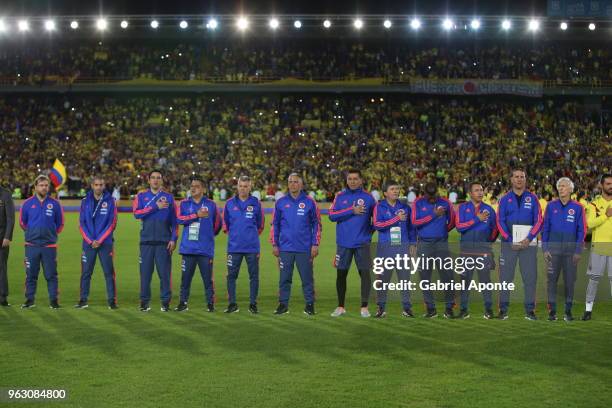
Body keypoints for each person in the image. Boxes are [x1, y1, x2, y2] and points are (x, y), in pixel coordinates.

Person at [270, 173, 321, 315]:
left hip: (304, 248)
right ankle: (283, 304)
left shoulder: (310, 202)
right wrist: (275, 244)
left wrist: (315, 244)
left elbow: (317, 224)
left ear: (301, 184)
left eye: (295, 182)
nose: (293, 184)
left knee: (307, 278)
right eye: (290, 182)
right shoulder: (280, 203)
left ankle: (309, 304)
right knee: (284, 278)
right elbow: (275, 224)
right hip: (285, 248)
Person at [496, 168, 543, 320]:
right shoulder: (504, 199)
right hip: (508, 245)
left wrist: (529, 238)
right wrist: (509, 240)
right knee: (505, 278)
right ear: (511, 179)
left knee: (529, 278)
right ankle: (503, 310)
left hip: (528, 245)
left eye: (522, 177)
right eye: (516, 177)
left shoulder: (533, 198)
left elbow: (539, 220)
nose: (519, 179)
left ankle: (530, 311)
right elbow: (500, 221)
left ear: (525, 179)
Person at [328, 169, 376, 318]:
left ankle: (364, 307)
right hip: (343, 244)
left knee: (365, 275)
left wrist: (368, 233)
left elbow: (377, 220)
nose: (353, 181)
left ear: (361, 180)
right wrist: (351, 210)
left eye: (356, 178)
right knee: (341, 274)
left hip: (362, 243)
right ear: (347, 180)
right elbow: (331, 216)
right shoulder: (340, 197)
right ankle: (341, 306)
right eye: (350, 179)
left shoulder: (369, 198)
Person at [132, 170, 178, 312]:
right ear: (149, 180)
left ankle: (165, 303)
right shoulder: (141, 196)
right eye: (153, 178)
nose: (156, 180)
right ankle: (144, 303)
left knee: (164, 275)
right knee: (145, 275)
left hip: (163, 243)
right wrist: (155, 207)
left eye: (158, 178)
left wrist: (173, 239)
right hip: (146, 242)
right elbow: (136, 214)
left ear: (162, 180)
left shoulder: (169, 198)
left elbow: (175, 222)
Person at [542, 177, 586, 322]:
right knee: (551, 281)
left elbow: (581, 230)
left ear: (571, 189)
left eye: (564, 186)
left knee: (569, 282)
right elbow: (545, 228)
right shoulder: (550, 206)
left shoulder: (578, 207)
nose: (561, 188)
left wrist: (578, 251)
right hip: (553, 251)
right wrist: (545, 248)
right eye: (559, 186)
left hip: (570, 252)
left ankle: (568, 312)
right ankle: (552, 312)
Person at [175, 176, 221, 312]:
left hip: (205, 249)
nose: (193, 188)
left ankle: (210, 304)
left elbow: (218, 224)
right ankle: (183, 303)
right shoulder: (183, 204)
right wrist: (196, 215)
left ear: (203, 189)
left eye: (196, 186)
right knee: (185, 279)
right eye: (192, 186)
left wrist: (207, 236)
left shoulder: (211, 205)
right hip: (188, 249)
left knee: (208, 280)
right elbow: (179, 219)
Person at [412, 181, 456, 318]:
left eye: (433, 195)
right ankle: (431, 309)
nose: (431, 198)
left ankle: (449, 308)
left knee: (447, 276)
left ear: (437, 192)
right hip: (424, 244)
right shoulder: (418, 203)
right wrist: (433, 215)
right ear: (424, 193)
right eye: (429, 195)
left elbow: (453, 221)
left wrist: (443, 232)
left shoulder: (445, 202)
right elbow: (414, 222)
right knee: (425, 277)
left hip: (441, 244)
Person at [372, 181, 417, 318]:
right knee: (383, 280)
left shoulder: (405, 208)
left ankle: (407, 308)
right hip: (385, 249)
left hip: (402, 249)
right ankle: (381, 308)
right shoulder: (379, 207)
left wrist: (413, 244)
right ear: (385, 193)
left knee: (404, 280)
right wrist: (395, 219)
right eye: (392, 189)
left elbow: (411, 228)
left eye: (397, 189)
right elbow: (377, 225)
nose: (396, 191)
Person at [19, 175, 64, 309]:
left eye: (46, 185)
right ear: (35, 187)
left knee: (51, 275)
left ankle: (54, 301)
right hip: (31, 246)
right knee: (31, 275)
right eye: (41, 185)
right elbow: (22, 222)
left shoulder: (55, 204)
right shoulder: (27, 204)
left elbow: (60, 223)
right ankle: (29, 300)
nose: (44, 188)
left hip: (49, 246)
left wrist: (51, 234)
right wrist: (31, 233)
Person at [455, 182, 498, 319]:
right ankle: (463, 310)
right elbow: (459, 227)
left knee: (485, 282)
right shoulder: (462, 208)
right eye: (477, 190)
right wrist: (477, 219)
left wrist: (486, 243)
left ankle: (489, 310)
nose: (480, 192)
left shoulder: (489, 209)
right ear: (470, 193)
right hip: (466, 251)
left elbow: (495, 230)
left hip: (483, 251)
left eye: (481, 190)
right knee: (464, 282)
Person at [223, 175, 264, 314]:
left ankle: (253, 304)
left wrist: (249, 236)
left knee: (253, 276)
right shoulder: (229, 203)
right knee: (231, 276)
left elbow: (260, 225)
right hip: (234, 248)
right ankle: (232, 304)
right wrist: (237, 236)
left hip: (252, 248)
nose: (243, 189)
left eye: (246, 186)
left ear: (250, 187)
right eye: (241, 186)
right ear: (237, 186)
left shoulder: (256, 203)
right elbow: (227, 225)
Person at [77, 176, 119, 309]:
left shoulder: (111, 201)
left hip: (105, 243)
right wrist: (90, 240)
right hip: (88, 243)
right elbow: (81, 223)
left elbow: (112, 223)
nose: (99, 187)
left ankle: (111, 301)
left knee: (108, 272)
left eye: (101, 184)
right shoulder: (85, 201)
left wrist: (100, 240)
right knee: (86, 273)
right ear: (92, 186)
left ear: (104, 185)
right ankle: (83, 300)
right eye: (96, 185)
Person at [582, 174, 612, 321]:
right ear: (601, 185)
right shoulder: (593, 204)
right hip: (599, 247)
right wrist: (605, 216)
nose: (610, 186)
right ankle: (588, 311)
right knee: (594, 280)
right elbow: (589, 224)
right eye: (608, 183)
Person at [0, 183, 15, 306]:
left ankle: (2, 297)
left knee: (1, 267)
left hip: (1, 238)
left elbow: (10, 218)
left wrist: (7, 236)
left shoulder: (5, 194)